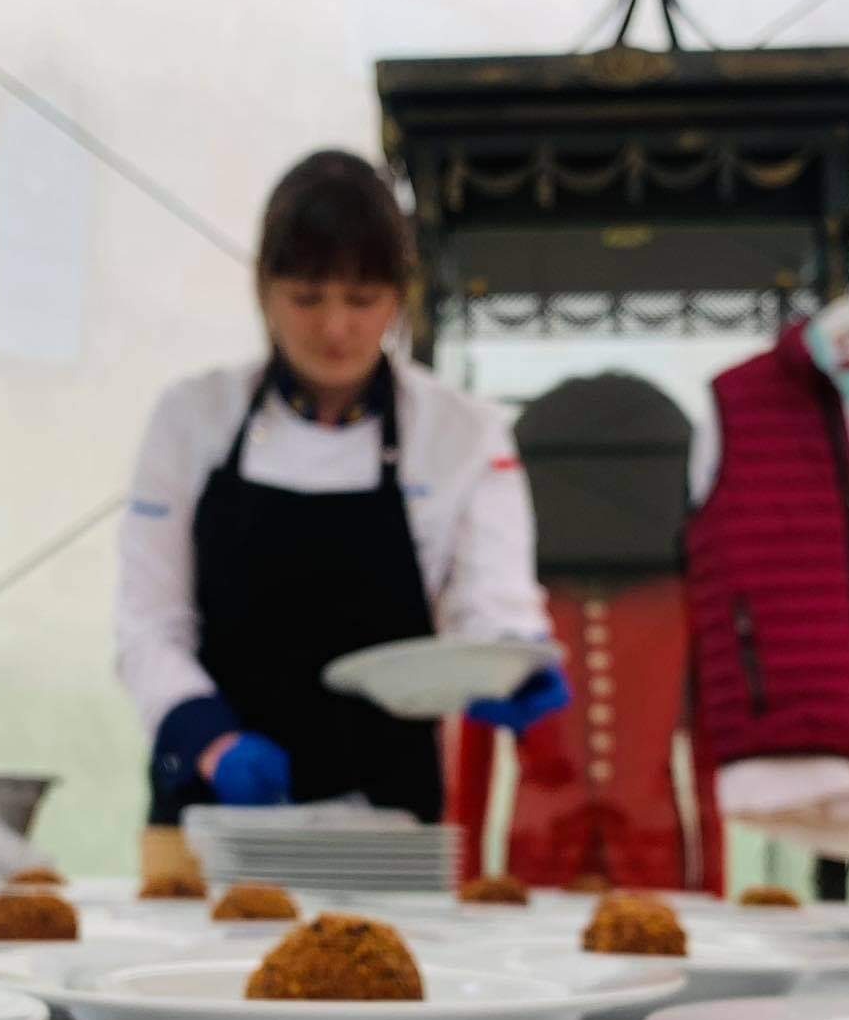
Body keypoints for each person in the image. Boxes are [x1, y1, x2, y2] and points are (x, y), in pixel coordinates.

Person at [115, 149, 567, 874]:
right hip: (208, 822)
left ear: (399, 298)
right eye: (306, 297)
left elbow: (494, 601)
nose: (335, 328)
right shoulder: (192, 419)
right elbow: (147, 625)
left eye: (362, 301)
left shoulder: (461, 433)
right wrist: (210, 740)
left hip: (389, 830)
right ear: (263, 289)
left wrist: (515, 665)